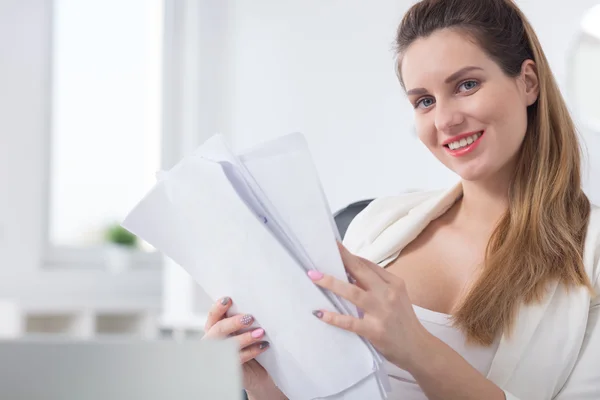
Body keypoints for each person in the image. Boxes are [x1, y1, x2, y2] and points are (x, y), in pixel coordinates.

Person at [201, 0, 600, 398]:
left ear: (528, 82)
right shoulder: (376, 223)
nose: (445, 120)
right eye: (424, 101)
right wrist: (260, 381)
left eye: (466, 85)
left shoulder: (591, 256)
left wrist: (415, 348)